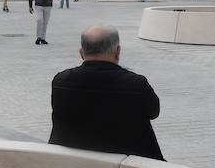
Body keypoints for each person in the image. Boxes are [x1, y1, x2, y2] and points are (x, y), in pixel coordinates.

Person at [49, 26, 163, 160]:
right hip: (129, 163)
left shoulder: (61, 81)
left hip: (70, 161)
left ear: (81, 53)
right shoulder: (136, 84)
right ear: (118, 51)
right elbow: (153, 112)